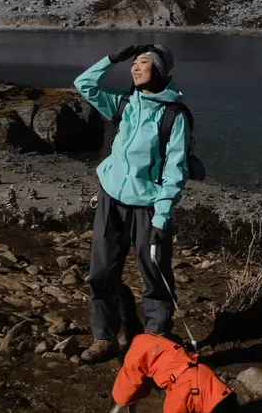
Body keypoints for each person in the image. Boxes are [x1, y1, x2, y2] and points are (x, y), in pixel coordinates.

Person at [74, 44, 190, 364]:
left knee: (154, 275)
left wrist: (161, 218)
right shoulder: (124, 103)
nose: (135, 68)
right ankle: (104, 337)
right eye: (134, 63)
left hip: (148, 208)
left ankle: (156, 342)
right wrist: (112, 58)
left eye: (143, 63)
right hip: (110, 200)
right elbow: (84, 84)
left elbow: (175, 171)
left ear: (161, 70)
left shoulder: (174, 115)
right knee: (100, 272)